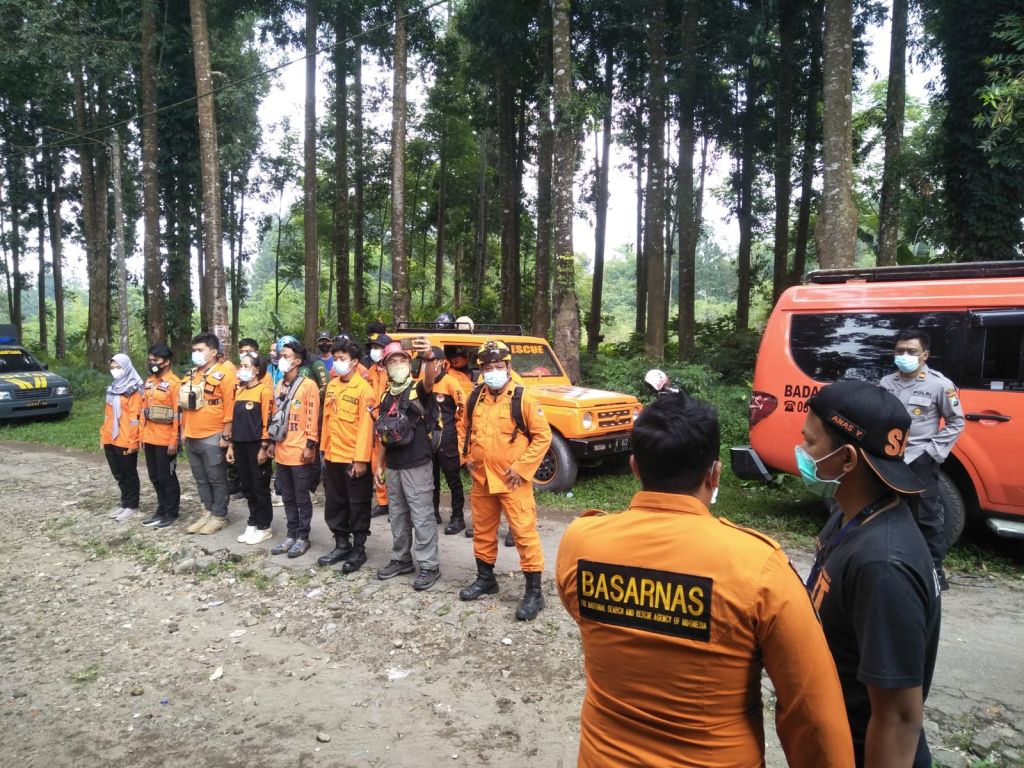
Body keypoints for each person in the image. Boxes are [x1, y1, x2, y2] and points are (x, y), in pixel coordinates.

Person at [556, 392, 855, 767]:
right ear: (714, 474)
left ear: (635, 467)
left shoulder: (580, 542)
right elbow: (812, 713)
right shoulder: (757, 567)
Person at [800, 380, 941, 768]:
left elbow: (899, 717)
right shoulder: (851, 517)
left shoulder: (883, 565)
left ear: (848, 460)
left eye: (810, 444)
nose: (800, 452)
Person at [458, 340, 552, 621]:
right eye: (488, 367)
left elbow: (542, 436)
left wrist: (522, 468)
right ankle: (486, 579)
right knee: (483, 532)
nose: (493, 371)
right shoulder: (475, 397)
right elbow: (463, 429)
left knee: (524, 535)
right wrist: (466, 458)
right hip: (482, 480)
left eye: (498, 366)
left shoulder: (523, 398)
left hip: (513, 482)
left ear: (508, 367)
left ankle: (534, 592)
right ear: (481, 370)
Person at [878, 329, 964, 590]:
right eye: (900, 351)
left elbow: (955, 422)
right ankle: (888, 564)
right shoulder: (886, 383)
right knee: (886, 512)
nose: (905, 355)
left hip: (919, 459)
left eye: (911, 352)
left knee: (926, 517)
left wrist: (931, 452)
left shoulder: (940, 385)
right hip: (888, 459)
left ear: (924, 355)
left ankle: (934, 571)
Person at [373, 337, 441, 590]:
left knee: (422, 516)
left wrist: (430, 358)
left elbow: (430, 381)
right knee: (397, 516)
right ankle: (401, 559)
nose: (398, 364)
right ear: (386, 367)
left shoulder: (417, 389)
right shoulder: (385, 396)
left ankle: (429, 565)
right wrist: (379, 463)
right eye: (393, 361)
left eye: (402, 360)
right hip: (393, 465)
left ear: (409, 364)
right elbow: (384, 433)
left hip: (417, 464)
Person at [318, 339, 376, 572]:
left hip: (353, 459)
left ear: (354, 362)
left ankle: (359, 548)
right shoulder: (332, 386)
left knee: (358, 504)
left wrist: (361, 460)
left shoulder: (365, 391)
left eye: (343, 359)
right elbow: (327, 421)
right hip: (333, 455)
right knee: (335, 503)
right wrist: (323, 451)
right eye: (336, 359)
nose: (338, 363)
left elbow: (366, 428)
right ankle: (341, 543)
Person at [267, 339, 320, 558]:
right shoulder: (279, 385)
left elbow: (312, 416)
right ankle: (291, 534)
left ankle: (303, 537)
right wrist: (271, 443)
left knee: (301, 497)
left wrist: (310, 445)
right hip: (281, 450)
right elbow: (276, 417)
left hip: (300, 451)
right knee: (287, 496)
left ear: (297, 361)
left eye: (286, 356)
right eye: (281, 355)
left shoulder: (308, 385)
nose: (281, 359)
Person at [181, 333, 236, 535]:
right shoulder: (190, 375)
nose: (196, 354)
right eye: (194, 350)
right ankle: (207, 510)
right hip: (192, 434)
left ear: (213, 352)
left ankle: (219, 515)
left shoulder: (226, 374)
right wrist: (183, 430)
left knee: (216, 477)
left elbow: (230, 407)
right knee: (200, 477)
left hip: (213, 434)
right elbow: (184, 406)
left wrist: (227, 436)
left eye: (200, 350)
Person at [226, 352, 274, 545]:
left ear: (256, 369)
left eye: (246, 366)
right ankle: (253, 521)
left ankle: (265, 525)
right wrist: (231, 445)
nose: (241, 369)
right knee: (246, 486)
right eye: (241, 365)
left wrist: (264, 447)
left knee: (259, 485)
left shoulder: (264, 391)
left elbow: (267, 421)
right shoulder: (239, 391)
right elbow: (235, 421)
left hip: (256, 445)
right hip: (240, 445)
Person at [425, 346, 468, 534]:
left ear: (442, 362)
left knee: (453, 478)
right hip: (428, 438)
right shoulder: (424, 383)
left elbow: (463, 410)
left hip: (447, 438)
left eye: (432, 361)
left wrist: (457, 435)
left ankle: (457, 517)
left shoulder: (451, 382)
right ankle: (433, 512)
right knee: (430, 479)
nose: (430, 365)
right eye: (427, 361)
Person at [139, 344, 181, 529]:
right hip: (149, 437)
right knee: (154, 476)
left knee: (167, 477)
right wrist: (141, 435)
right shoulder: (148, 382)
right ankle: (161, 508)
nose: (152, 363)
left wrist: (174, 439)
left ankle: (171, 512)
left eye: (156, 360)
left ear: (167, 361)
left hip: (166, 439)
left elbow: (178, 414)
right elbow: (143, 409)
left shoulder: (174, 383)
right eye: (150, 360)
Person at [101, 354, 144, 523]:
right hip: (111, 438)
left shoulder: (134, 389)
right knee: (118, 473)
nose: (115, 371)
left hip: (126, 439)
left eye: (118, 367)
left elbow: (136, 418)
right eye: (112, 368)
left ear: (126, 367)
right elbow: (108, 415)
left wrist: (134, 441)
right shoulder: (112, 388)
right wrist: (104, 435)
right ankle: (124, 502)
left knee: (129, 473)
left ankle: (132, 505)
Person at [365, 333, 392, 518]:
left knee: (394, 466)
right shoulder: (372, 370)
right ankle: (383, 502)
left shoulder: (394, 369)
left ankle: (396, 503)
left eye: (378, 347)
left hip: (392, 423)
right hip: (375, 422)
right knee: (377, 464)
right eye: (372, 347)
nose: (374, 351)